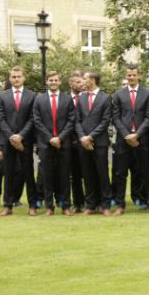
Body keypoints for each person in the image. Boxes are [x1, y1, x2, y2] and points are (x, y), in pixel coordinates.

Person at [111, 64, 149, 215]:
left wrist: (137, 135)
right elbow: (115, 117)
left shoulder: (146, 93)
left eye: (134, 75)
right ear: (126, 76)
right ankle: (120, 205)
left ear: (139, 75)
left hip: (142, 139)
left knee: (146, 172)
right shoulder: (118, 95)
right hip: (123, 140)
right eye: (128, 75)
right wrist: (127, 135)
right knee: (121, 174)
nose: (131, 78)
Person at [32, 72, 76, 216]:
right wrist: (50, 138)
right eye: (51, 80)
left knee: (64, 176)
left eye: (56, 80)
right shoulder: (39, 99)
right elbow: (37, 121)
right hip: (46, 143)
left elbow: (71, 120)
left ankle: (65, 206)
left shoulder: (67, 99)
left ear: (60, 82)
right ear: (46, 82)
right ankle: (49, 206)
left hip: (64, 144)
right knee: (47, 176)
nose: (53, 82)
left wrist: (60, 138)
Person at [0, 67, 37, 216]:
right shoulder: (3, 96)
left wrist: (21, 136)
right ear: (10, 78)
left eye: (19, 76)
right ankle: (8, 205)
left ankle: (32, 205)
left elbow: (33, 118)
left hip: (25, 141)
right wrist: (12, 136)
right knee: (8, 173)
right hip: (8, 141)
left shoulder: (32, 96)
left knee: (28, 173)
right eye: (13, 77)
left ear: (24, 78)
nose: (16, 79)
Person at [75, 71, 113, 216]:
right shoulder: (81, 97)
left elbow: (105, 121)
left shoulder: (105, 98)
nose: (82, 82)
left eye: (84, 79)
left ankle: (105, 204)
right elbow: (76, 120)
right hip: (83, 142)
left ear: (92, 80)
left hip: (100, 142)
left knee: (102, 173)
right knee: (87, 173)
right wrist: (83, 137)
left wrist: (90, 136)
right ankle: (91, 204)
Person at [67, 73, 86, 213]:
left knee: (90, 173)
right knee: (75, 174)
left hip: (86, 140)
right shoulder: (65, 99)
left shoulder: (87, 98)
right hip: (70, 143)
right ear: (71, 84)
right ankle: (78, 203)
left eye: (82, 81)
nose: (81, 84)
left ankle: (92, 201)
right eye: (77, 82)